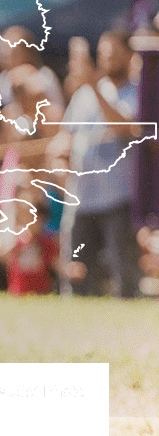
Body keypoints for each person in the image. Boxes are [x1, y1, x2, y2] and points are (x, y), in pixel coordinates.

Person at [54, 31, 143, 298]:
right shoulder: (83, 95)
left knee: (123, 271)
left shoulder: (139, 92)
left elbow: (123, 128)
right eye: (103, 53)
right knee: (77, 271)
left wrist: (93, 84)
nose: (107, 59)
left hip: (119, 197)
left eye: (113, 53)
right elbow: (63, 140)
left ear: (128, 56)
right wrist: (60, 168)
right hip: (82, 198)